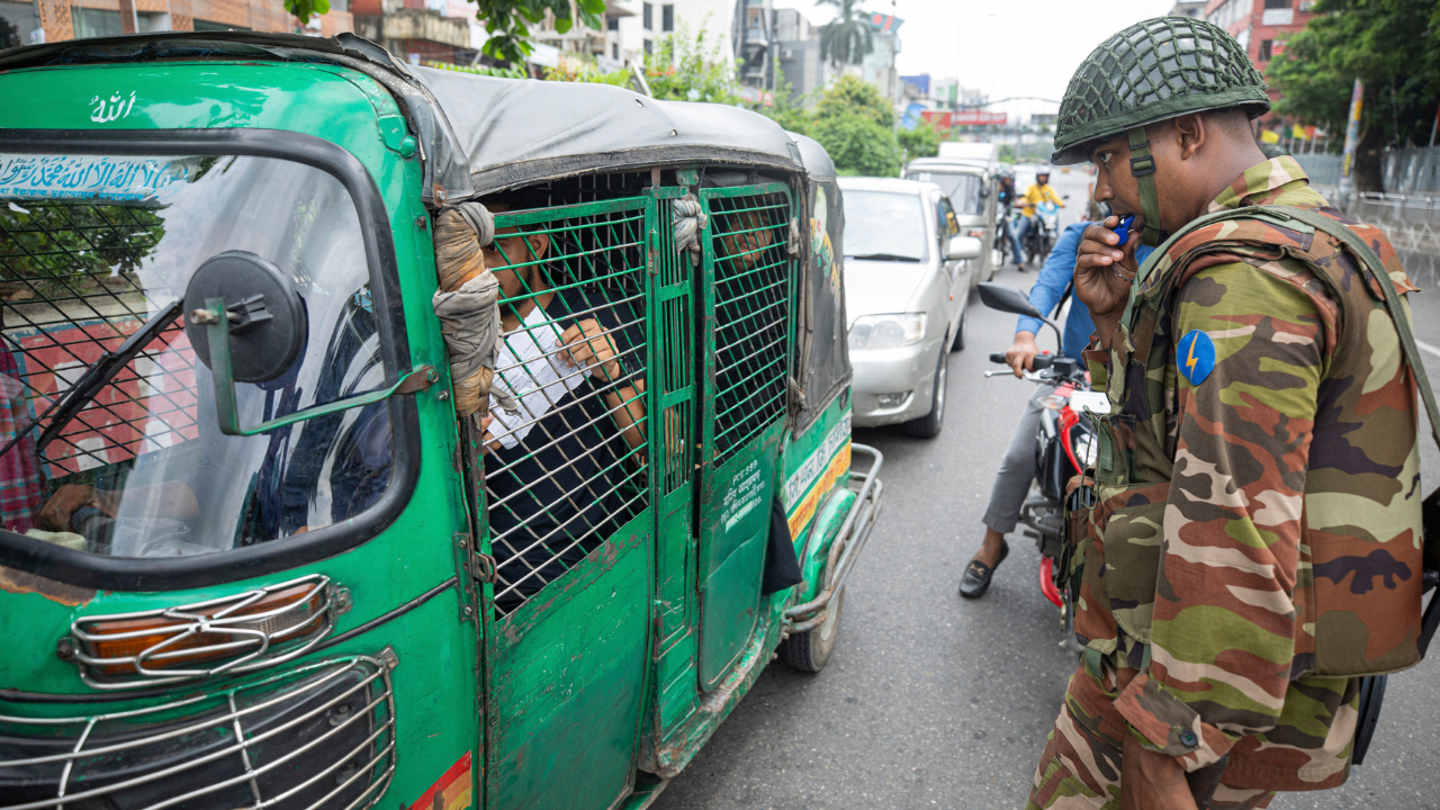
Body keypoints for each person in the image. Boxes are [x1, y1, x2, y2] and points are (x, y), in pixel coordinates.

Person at [1026, 17, 1424, 810]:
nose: (1102, 189)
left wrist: (1165, 740)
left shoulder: (1243, 282)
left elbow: (1233, 524)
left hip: (1185, 696)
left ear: (1186, 133)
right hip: (1195, 673)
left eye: (1108, 157)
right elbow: (1173, 448)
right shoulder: (1301, 235)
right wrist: (1111, 329)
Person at [470, 194, 647, 614]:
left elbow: (655, 448)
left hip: (577, 560)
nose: (481, 268)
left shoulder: (598, 314)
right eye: (468, 253)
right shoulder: (457, 335)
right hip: (484, 567)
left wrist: (611, 373)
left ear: (538, 244)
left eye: (496, 249)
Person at [958, 222, 1152, 599]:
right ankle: (991, 546)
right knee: (1019, 456)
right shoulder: (1081, 236)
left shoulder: (1172, 241)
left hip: (1143, 384)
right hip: (1077, 372)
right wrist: (1025, 335)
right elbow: (1047, 286)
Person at [1009, 168, 1065, 271]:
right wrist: (1023, 202)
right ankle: (1016, 256)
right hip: (1029, 214)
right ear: (1037, 177)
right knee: (1020, 233)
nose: (1043, 178)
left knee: (1055, 224)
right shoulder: (1031, 188)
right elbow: (1025, 197)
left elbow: (1055, 198)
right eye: (1041, 176)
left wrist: (1061, 203)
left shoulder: (1049, 189)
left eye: (1044, 176)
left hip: (1043, 215)